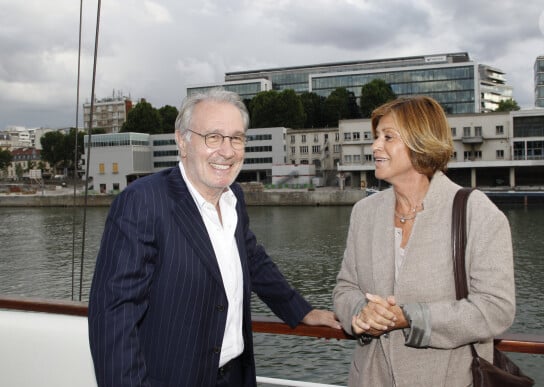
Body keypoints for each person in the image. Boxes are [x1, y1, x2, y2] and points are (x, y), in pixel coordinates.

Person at [88, 88, 341, 387]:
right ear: (182, 141)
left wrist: (302, 310)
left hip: (235, 376)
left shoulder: (233, 196)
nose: (227, 150)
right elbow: (114, 317)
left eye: (236, 138)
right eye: (213, 137)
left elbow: (253, 259)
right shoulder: (143, 202)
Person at [332, 96, 515, 386]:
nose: (375, 146)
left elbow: (495, 308)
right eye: (376, 136)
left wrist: (410, 317)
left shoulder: (477, 212)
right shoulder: (364, 212)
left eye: (387, 137)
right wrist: (361, 314)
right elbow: (345, 289)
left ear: (421, 141)